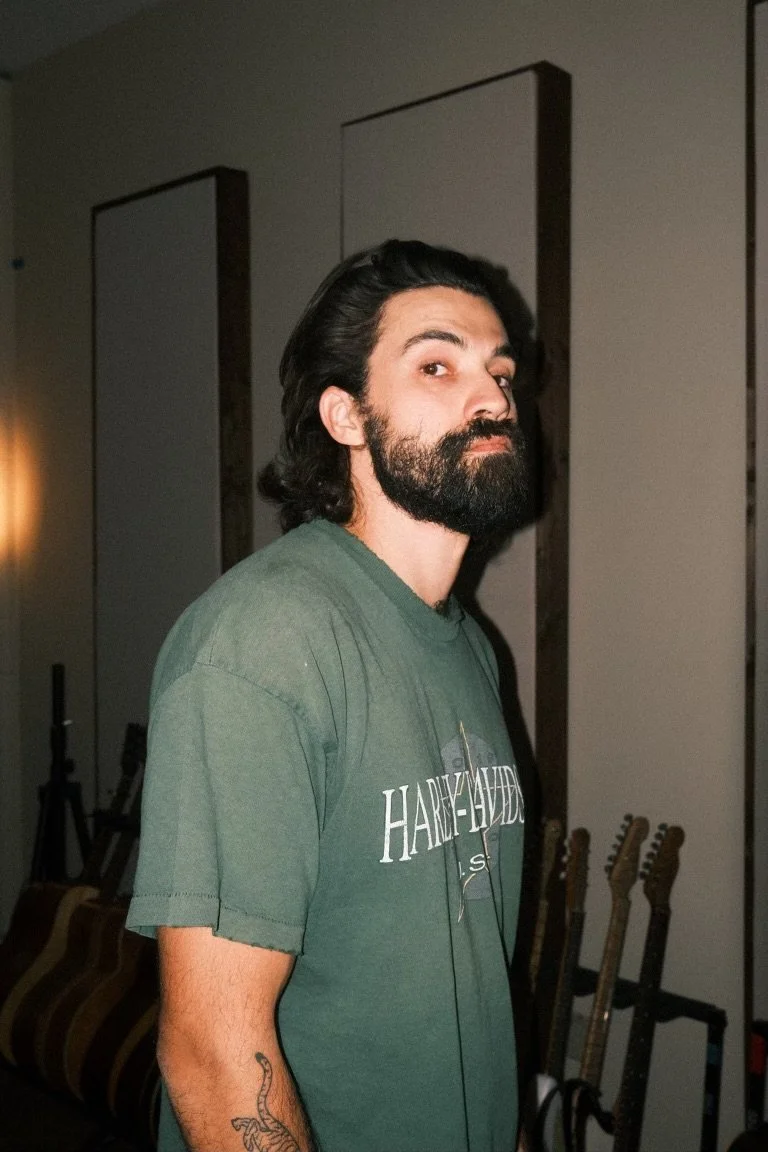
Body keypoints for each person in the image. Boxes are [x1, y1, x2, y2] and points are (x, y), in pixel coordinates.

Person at [127, 238, 532, 1152]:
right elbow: (210, 1050)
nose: (493, 398)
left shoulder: (472, 647)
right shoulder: (265, 641)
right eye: (438, 365)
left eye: (501, 374)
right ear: (346, 416)